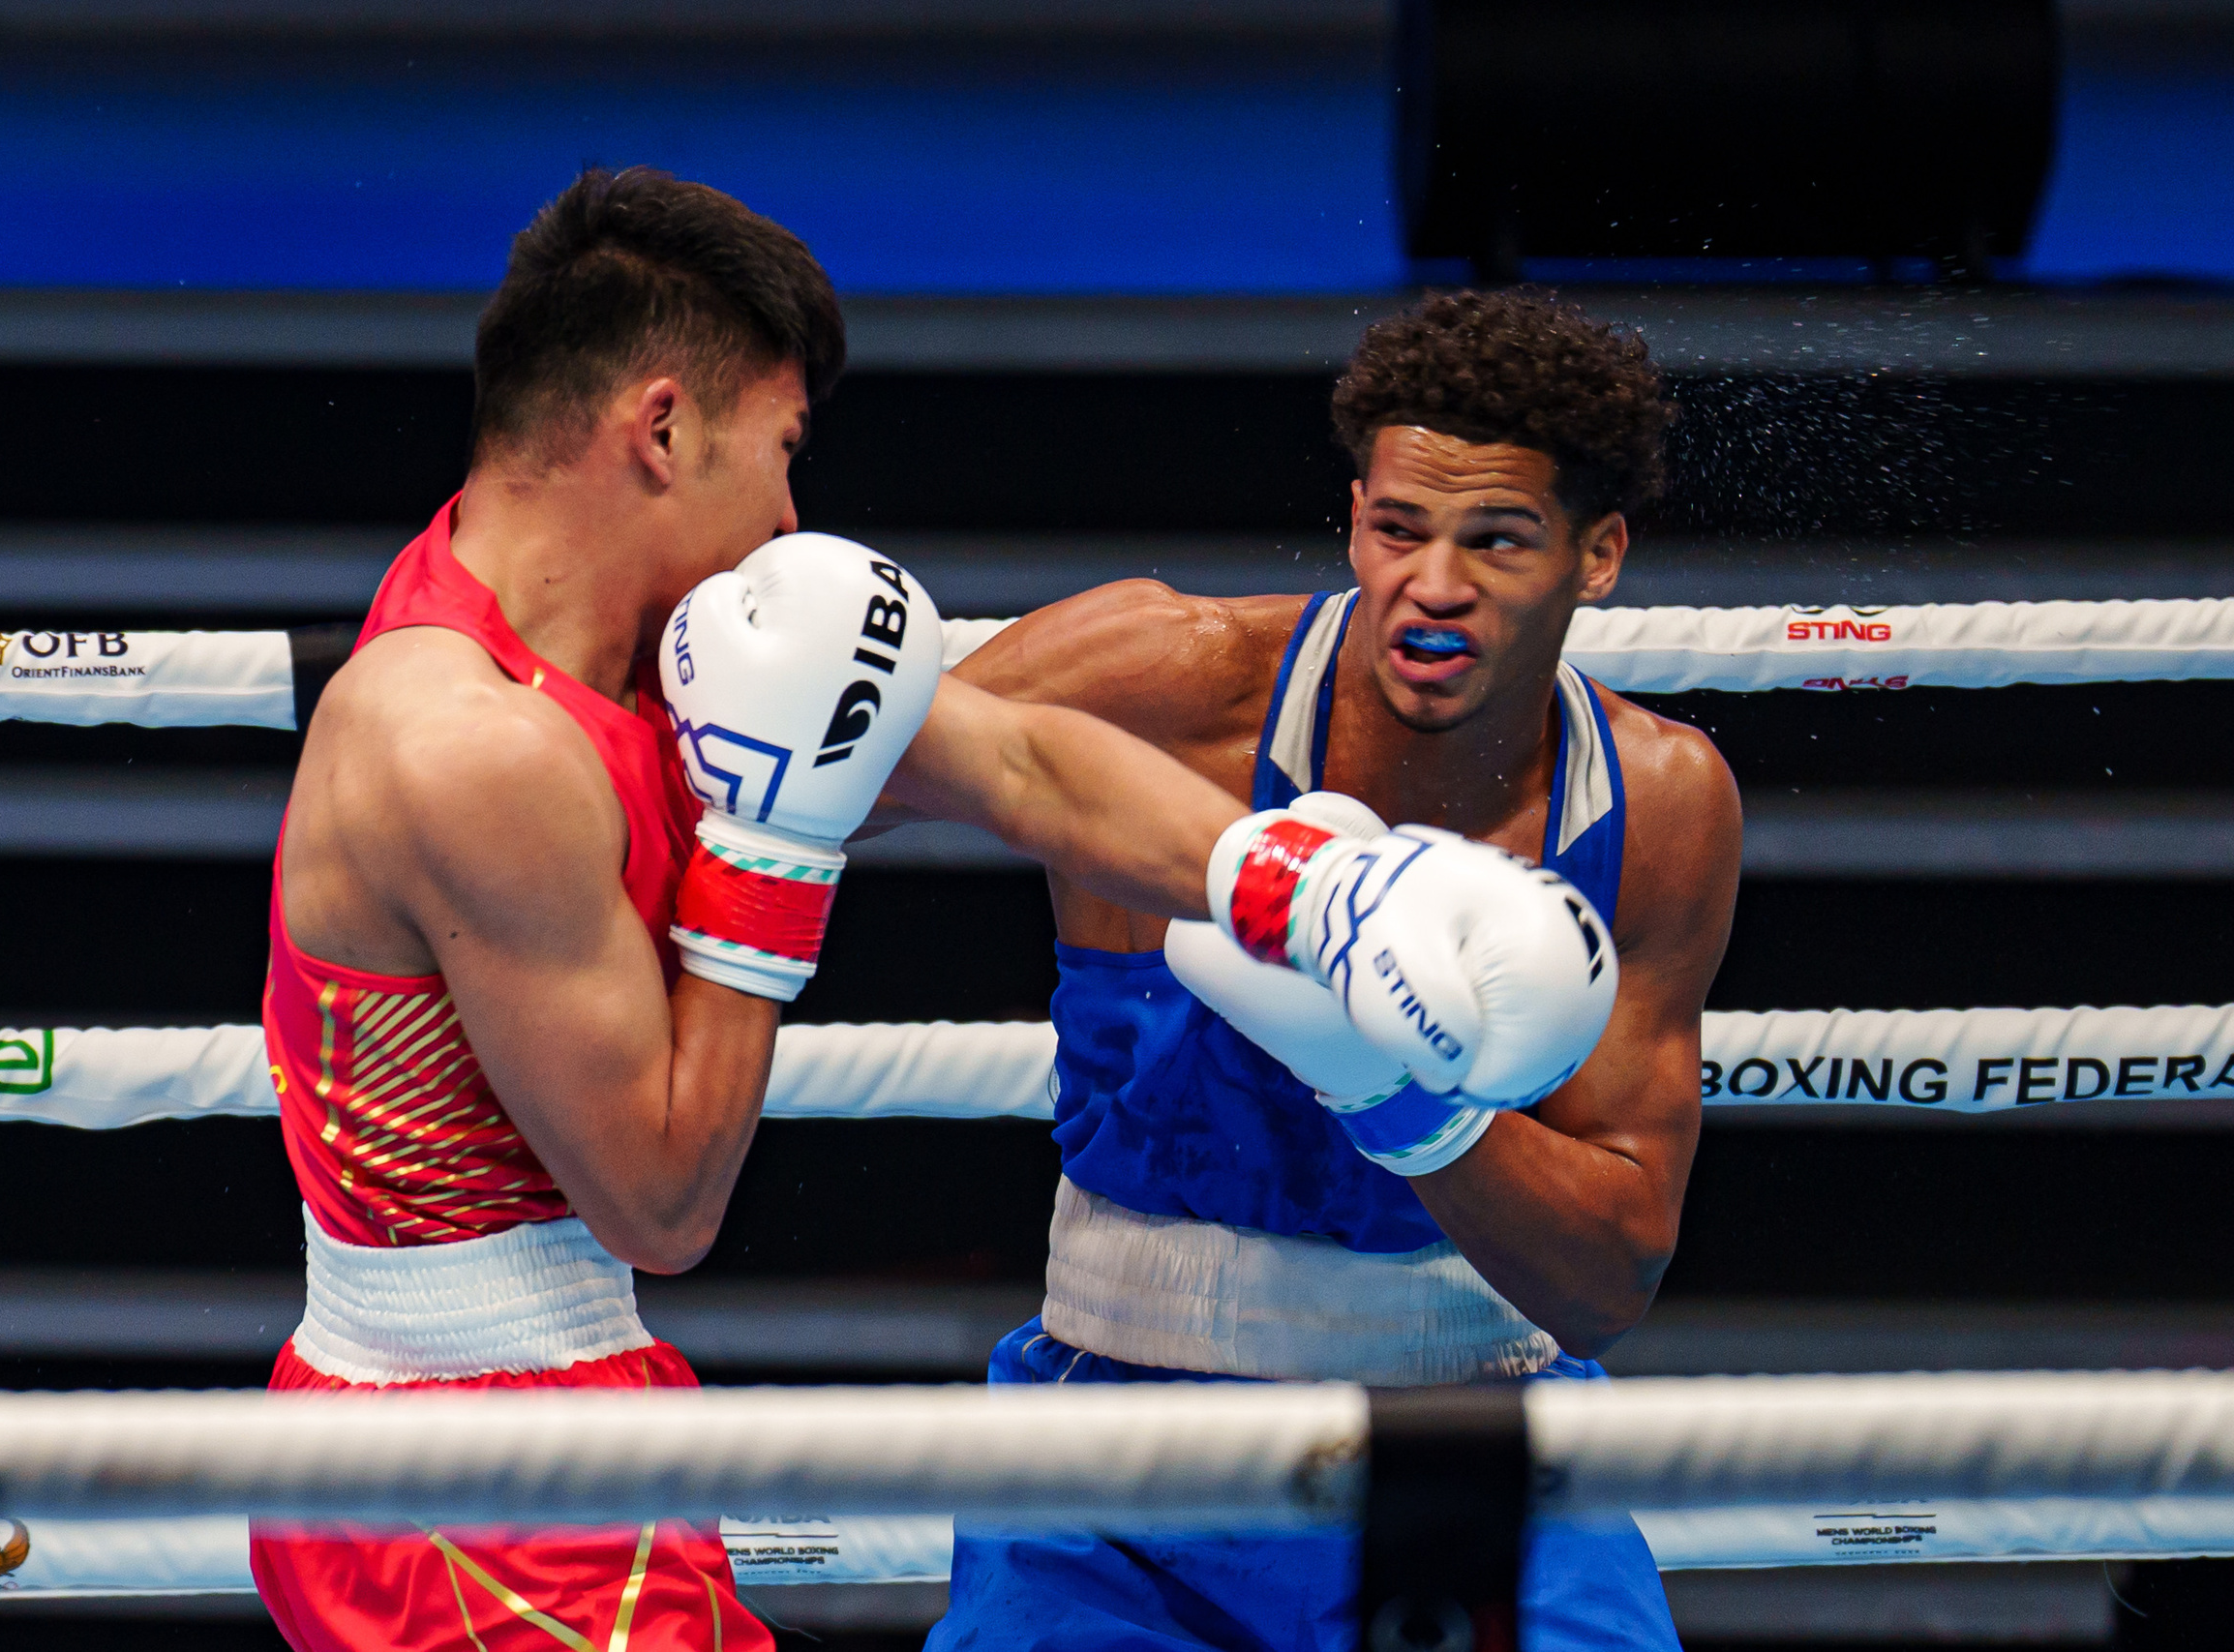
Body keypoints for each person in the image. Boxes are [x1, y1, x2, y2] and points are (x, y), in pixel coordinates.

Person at [247, 170, 1611, 1652]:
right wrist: (773, 845)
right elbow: (662, 1202)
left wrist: (1309, 890)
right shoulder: (469, 745)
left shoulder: (643, 647)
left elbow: (1023, 764)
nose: (788, 512)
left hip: (562, 1409)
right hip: (448, 1469)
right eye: (780, 450)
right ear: (662, 429)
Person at [926, 289, 1743, 1652]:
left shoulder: (1656, 801)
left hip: (1478, 1434)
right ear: (1355, 514)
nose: (1435, 585)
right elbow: (827, 771)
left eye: (1497, 540)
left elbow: (1607, 1282)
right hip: (1118, 1451)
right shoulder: (1171, 676)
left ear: (1597, 554)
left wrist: (1403, 1101)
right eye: (1398, 530)